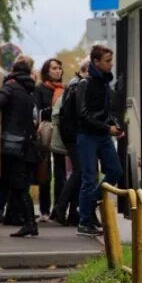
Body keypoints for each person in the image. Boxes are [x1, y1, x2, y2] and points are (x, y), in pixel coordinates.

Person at [0, 55, 41, 237]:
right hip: (25, 143)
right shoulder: (28, 90)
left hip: (11, 143)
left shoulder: (11, 86)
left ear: (13, 70)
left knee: (17, 186)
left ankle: (30, 224)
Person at [76, 45, 124, 237]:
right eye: (107, 61)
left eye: (111, 60)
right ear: (96, 62)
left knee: (115, 170)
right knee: (89, 177)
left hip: (102, 134)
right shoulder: (85, 84)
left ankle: (89, 203)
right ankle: (84, 221)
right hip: (87, 135)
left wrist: (114, 126)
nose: (111, 64)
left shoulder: (104, 84)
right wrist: (107, 128)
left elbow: (106, 111)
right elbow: (82, 114)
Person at [53, 58, 89, 226]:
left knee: (79, 172)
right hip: (74, 134)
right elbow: (79, 113)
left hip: (71, 134)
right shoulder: (79, 85)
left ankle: (71, 211)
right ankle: (61, 207)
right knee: (79, 171)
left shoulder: (73, 84)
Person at [34, 58, 66, 222]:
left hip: (60, 132)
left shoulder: (64, 89)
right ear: (47, 71)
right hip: (45, 132)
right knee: (44, 170)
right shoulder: (40, 89)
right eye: (54, 68)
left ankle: (59, 209)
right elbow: (38, 111)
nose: (58, 71)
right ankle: (44, 210)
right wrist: (51, 111)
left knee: (60, 171)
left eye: (59, 68)